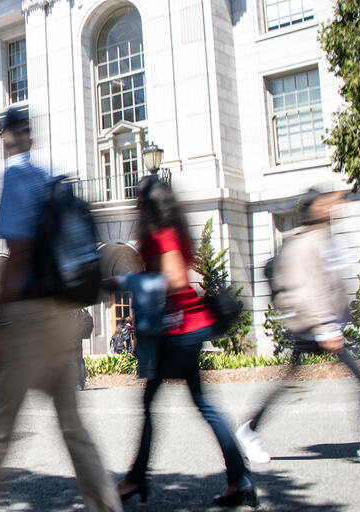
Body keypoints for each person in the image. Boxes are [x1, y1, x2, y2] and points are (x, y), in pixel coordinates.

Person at [0, 108, 121, 512]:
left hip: (29, 320)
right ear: (29, 138)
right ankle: (105, 505)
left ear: (4, 138)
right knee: (72, 425)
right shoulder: (46, 179)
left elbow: (18, 254)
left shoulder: (15, 177)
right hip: (59, 318)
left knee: (1, 425)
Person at [235, 189, 360, 469]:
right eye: (327, 203)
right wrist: (325, 327)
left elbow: (333, 284)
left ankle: (248, 430)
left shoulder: (325, 238)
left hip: (322, 326)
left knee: (289, 383)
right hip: (316, 327)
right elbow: (306, 289)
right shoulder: (304, 243)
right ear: (314, 209)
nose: (334, 207)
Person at [115, 176, 256, 507]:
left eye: (138, 199)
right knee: (199, 403)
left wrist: (128, 280)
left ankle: (136, 480)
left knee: (157, 403)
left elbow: (176, 279)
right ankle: (239, 479)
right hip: (189, 327)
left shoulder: (160, 233)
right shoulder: (175, 227)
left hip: (177, 331)